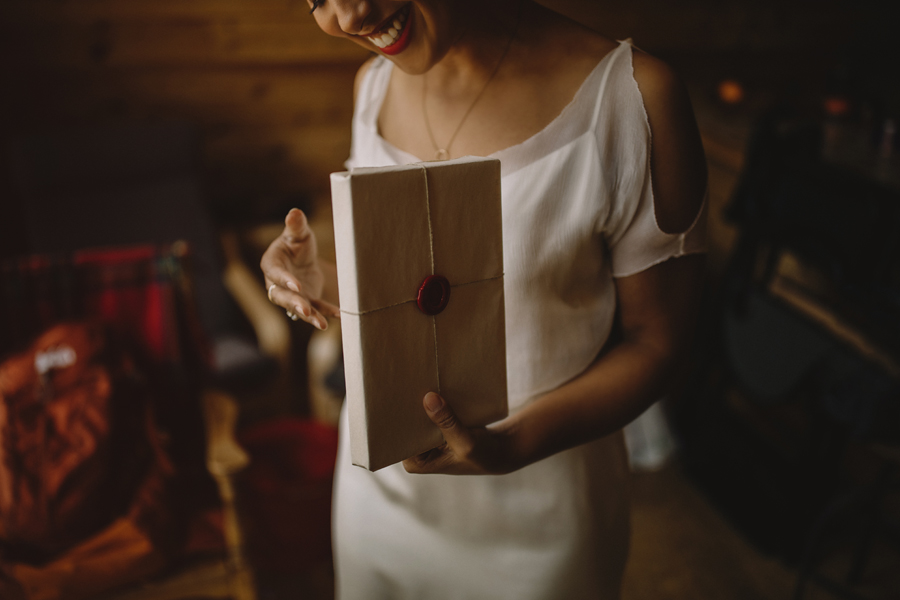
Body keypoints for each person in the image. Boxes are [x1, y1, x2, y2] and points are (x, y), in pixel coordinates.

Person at [260, 0, 707, 597]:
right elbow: (411, 299)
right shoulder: (371, 88)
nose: (348, 15)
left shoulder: (630, 98)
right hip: (380, 501)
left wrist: (517, 443)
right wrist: (320, 281)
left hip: (542, 518)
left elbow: (659, 342)